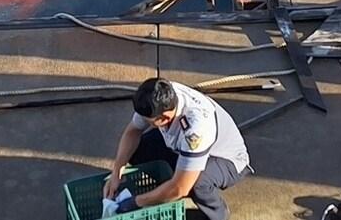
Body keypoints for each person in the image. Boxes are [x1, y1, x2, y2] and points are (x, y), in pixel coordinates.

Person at [103, 77, 251, 220]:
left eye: (149, 121)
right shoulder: (158, 96)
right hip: (182, 146)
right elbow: (132, 132)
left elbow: (181, 187)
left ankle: (217, 214)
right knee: (136, 150)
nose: (144, 122)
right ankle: (165, 187)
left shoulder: (196, 129)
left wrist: (136, 202)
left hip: (227, 160)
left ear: (164, 118)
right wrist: (117, 172)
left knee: (197, 184)